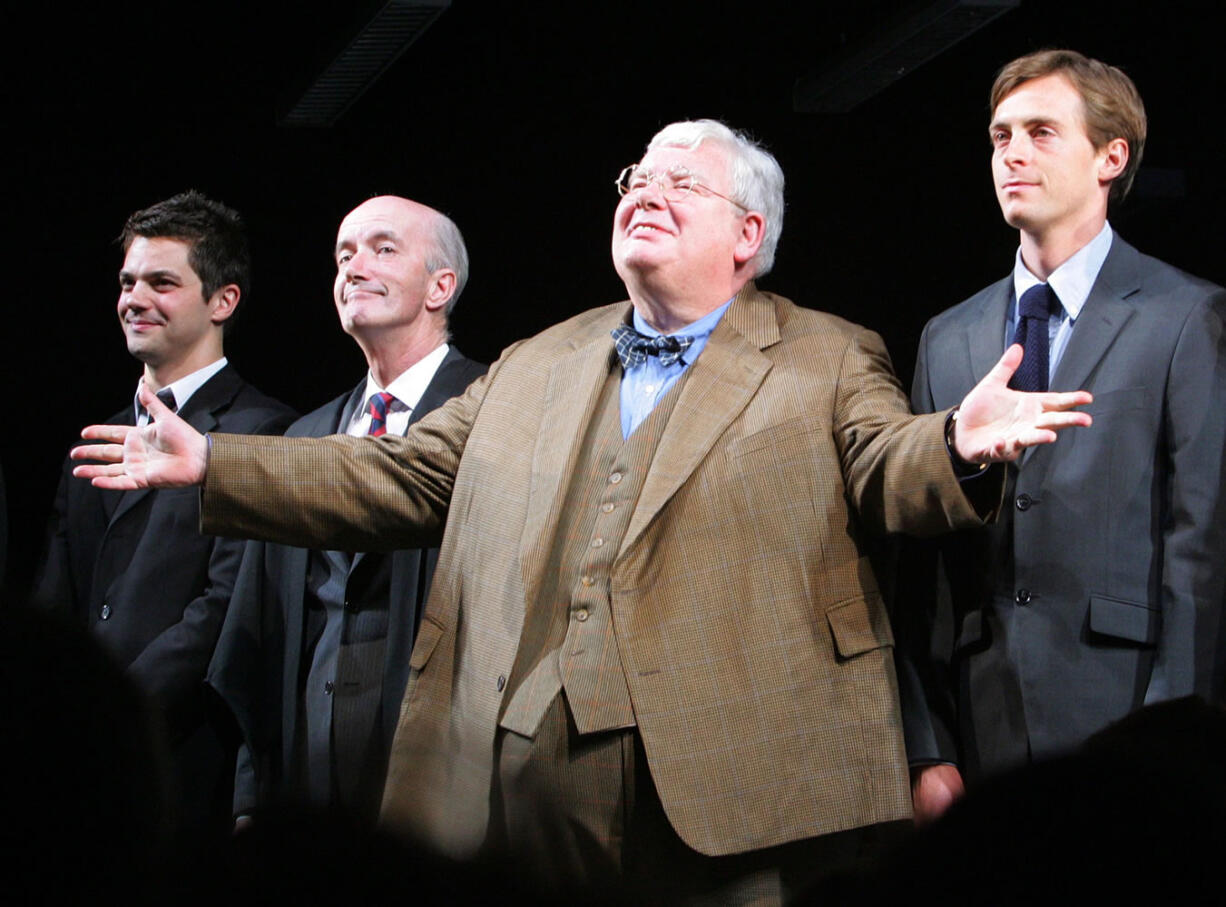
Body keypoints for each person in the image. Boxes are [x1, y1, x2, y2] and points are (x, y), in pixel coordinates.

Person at [74, 121, 1091, 900]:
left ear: (748, 234)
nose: (644, 192)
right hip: (523, 779)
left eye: (678, 182)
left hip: (733, 782)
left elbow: (883, 459)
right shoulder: (536, 358)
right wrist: (214, 462)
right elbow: (400, 477)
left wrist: (954, 441)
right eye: (634, 179)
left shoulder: (826, 351)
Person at [898, 50, 1226, 824]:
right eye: (999, 135)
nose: (1011, 153)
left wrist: (1173, 741)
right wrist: (925, 745)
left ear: (1111, 156)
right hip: (983, 725)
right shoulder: (948, 337)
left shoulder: (1186, 316)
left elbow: (1201, 547)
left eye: (1041, 132)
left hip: (1124, 713)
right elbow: (920, 560)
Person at [207, 196, 485, 826]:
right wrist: (253, 800)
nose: (353, 268)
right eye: (344, 255)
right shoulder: (304, 438)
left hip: (438, 769)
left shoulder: (494, 414)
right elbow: (257, 631)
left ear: (442, 285)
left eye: (382, 249)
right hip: (306, 766)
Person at [34, 191, 297, 835]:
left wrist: (113, 714)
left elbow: (222, 610)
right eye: (127, 282)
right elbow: (57, 595)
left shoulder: (260, 433)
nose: (134, 299)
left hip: (183, 753)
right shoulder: (102, 435)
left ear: (222, 301)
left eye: (161, 282)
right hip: (74, 759)